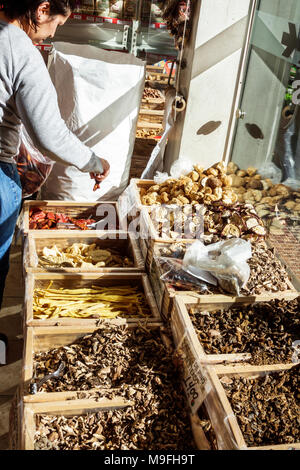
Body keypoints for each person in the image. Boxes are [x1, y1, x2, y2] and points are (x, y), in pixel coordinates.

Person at [0, 0, 110, 308]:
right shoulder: (20, 51)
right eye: (57, 24)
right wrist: (94, 162)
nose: (50, 35)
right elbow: (49, 135)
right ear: (42, 9)